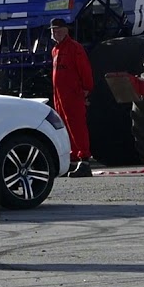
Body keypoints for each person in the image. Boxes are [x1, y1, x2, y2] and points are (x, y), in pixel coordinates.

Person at [50, 17, 94, 177]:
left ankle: (84, 159)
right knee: (65, 126)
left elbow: (85, 70)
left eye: (59, 29)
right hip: (60, 96)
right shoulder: (55, 50)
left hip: (73, 94)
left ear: (66, 30)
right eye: (54, 30)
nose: (56, 33)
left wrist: (86, 89)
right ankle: (73, 158)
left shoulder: (75, 48)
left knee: (77, 126)